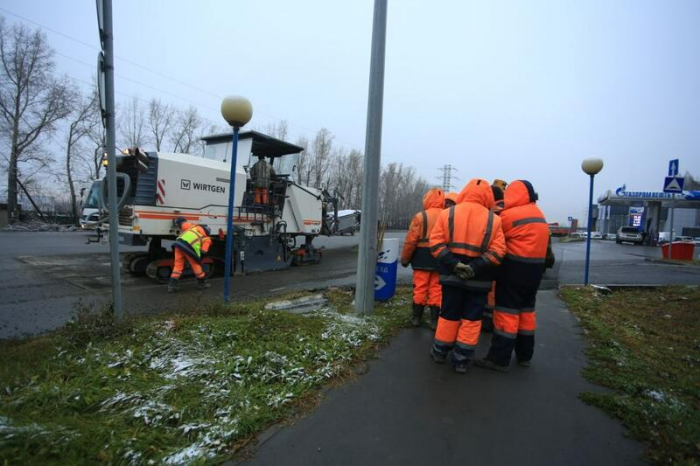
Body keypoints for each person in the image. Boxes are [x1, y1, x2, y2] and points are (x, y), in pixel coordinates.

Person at [428, 179, 506, 374]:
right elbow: (498, 251)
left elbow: (435, 243)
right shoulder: (494, 220)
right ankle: (461, 360)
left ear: (464, 192)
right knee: (471, 320)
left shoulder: (448, 214)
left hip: (451, 277)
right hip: (479, 280)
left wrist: (455, 265)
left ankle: (439, 352)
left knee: (448, 315)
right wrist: (475, 267)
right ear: (488, 196)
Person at [476, 180, 549, 372]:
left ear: (515, 194)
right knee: (526, 314)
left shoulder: (510, 215)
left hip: (514, 271)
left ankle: (498, 359)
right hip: (535, 273)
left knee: (507, 314)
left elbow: (489, 235)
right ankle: (525, 356)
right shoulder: (539, 215)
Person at [400, 188, 445, 329]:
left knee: (420, 288)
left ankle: (416, 318)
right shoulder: (448, 216)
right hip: (440, 257)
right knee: (436, 289)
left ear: (427, 199)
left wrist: (405, 259)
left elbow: (411, 241)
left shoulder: (420, 217)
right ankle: (434, 321)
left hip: (421, 258)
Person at [482, 183, 505, 333]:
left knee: (490, 293)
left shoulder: (490, 214)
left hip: (490, 259)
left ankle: (488, 323)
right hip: (507, 260)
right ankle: (499, 323)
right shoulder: (509, 211)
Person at [168, 217, 212, 293]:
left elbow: (183, 224)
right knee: (196, 266)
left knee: (178, 266)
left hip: (178, 244)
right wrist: (198, 259)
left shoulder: (193, 227)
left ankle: (172, 286)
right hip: (189, 248)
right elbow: (203, 251)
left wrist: (179, 221)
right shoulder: (207, 239)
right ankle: (202, 284)